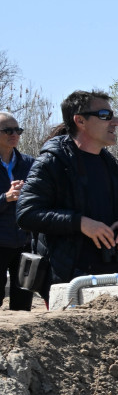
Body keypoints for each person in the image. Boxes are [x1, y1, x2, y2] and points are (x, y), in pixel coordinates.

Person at [16, 90, 118, 303]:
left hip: (113, 274)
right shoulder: (52, 162)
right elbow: (26, 214)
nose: (116, 122)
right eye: (105, 115)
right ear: (80, 120)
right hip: (68, 280)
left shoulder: (113, 166)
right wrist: (80, 223)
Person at [0, 111, 34, 309]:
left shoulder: (29, 163)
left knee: (23, 301)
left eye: (18, 130)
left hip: (24, 242)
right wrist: (6, 197)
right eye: (8, 130)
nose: (15, 134)